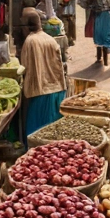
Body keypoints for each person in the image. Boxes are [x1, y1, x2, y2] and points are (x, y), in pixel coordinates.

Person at [19, 8, 67, 137]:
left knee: (37, 137)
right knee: (54, 137)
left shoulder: (30, 41)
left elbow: (24, 68)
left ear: (26, 26)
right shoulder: (50, 39)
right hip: (57, 91)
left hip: (40, 93)